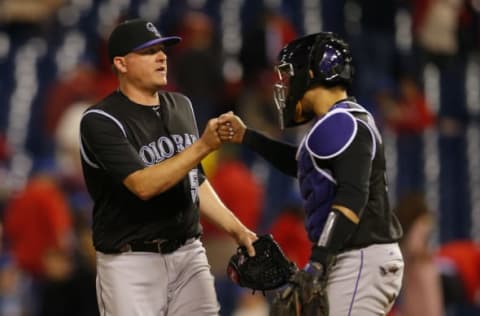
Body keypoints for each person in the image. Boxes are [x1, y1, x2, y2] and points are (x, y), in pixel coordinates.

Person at [79, 18, 257, 316]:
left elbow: (193, 179)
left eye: (162, 49)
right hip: (130, 262)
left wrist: (236, 229)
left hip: (189, 253)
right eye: (149, 52)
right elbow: (143, 185)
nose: (162, 57)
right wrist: (203, 146)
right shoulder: (101, 120)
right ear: (121, 64)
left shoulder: (181, 105)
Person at [218, 32, 404, 315]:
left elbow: (352, 196)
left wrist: (317, 261)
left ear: (313, 73)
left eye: (292, 75)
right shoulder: (340, 120)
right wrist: (248, 137)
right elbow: (301, 165)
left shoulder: (342, 122)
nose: (287, 85)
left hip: (360, 255)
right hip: (355, 256)